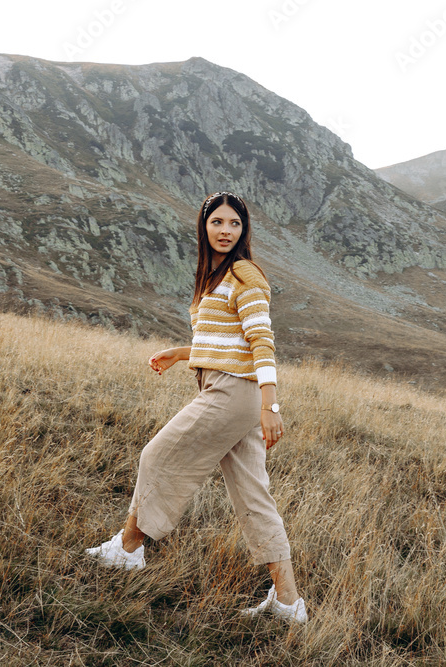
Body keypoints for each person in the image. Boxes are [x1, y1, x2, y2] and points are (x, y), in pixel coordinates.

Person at [84, 191, 308, 624]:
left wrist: (270, 405)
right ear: (204, 226)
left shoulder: (244, 274)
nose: (226, 231)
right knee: (254, 496)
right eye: (218, 222)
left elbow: (262, 342)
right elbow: (229, 342)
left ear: (244, 232)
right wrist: (182, 352)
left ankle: (128, 550)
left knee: (157, 456)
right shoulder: (215, 277)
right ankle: (288, 603)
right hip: (231, 389)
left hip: (235, 395)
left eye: (235, 224)